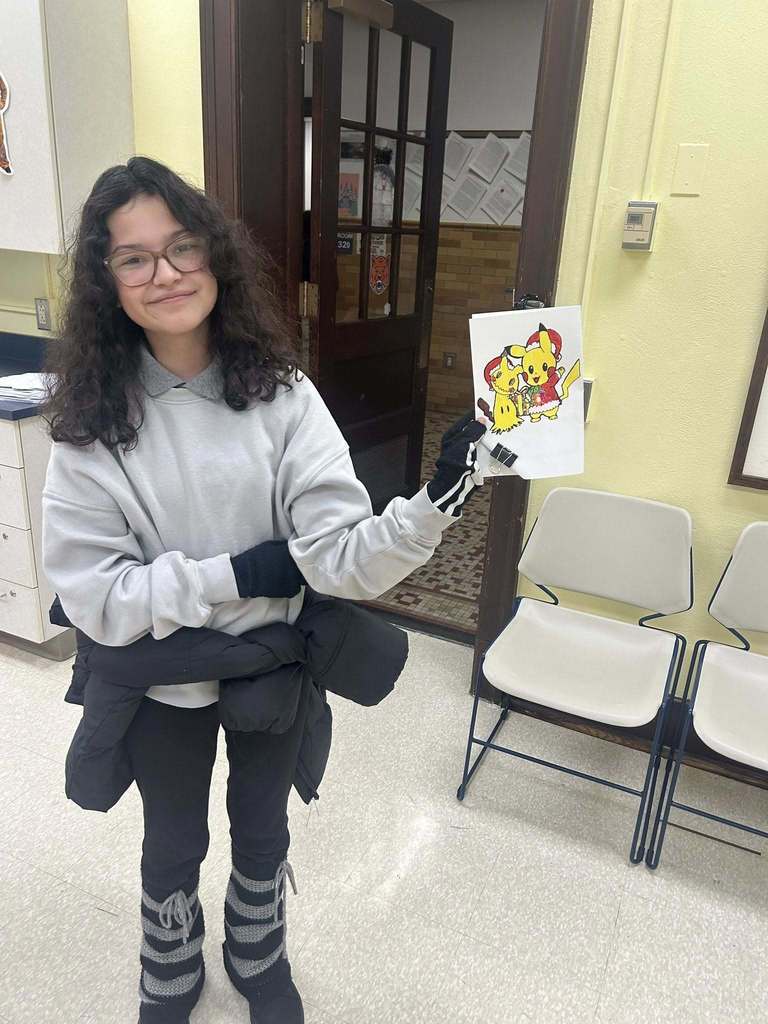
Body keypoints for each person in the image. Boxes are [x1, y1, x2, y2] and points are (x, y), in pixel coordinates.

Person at [39, 157, 499, 1024]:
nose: (165, 273)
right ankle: (168, 959)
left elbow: (338, 560)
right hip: (160, 673)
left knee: (263, 829)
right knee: (172, 836)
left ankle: (257, 947)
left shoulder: (283, 398)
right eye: (133, 258)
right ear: (107, 280)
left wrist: (438, 502)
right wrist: (234, 574)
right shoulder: (90, 424)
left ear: (215, 255)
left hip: (271, 668)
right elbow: (96, 598)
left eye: (180, 248)